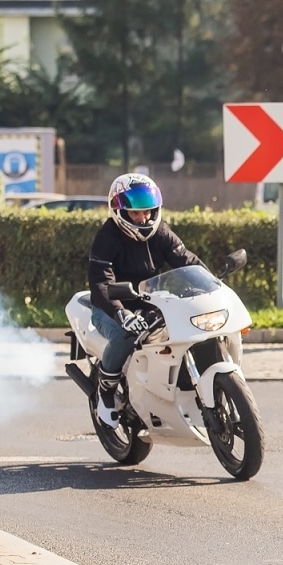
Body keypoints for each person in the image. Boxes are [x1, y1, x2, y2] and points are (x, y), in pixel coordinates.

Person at [87, 171, 204, 428]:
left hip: (150, 302)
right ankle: (106, 389)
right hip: (111, 306)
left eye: (148, 212)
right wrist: (121, 314)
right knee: (124, 335)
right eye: (135, 213)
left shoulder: (160, 231)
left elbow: (186, 260)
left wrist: (213, 287)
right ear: (119, 211)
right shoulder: (107, 237)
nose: (143, 218)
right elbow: (100, 283)